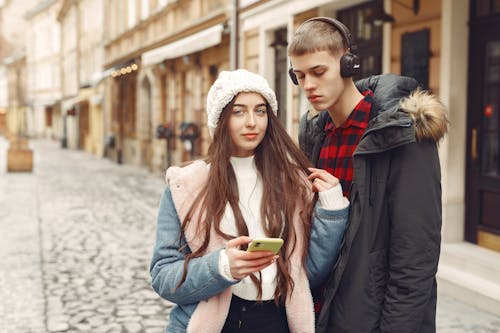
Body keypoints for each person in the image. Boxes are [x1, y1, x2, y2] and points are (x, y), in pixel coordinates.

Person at [150, 69, 350, 333]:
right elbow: (164, 277)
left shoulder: (293, 182)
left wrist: (332, 208)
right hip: (217, 323)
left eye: (260, 110)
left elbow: (307, 273)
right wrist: (222, 267)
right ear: (220, 119)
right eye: (238, 112)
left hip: (278, 322)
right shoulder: (186, 185)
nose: (252, 122)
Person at [288, 17, 449, 333]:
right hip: (319, 317)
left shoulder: (402, 134)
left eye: (319, 72)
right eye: (300, 76)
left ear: (348, 62)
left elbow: (415, 259)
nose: (308, 85)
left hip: (372, 322)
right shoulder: (313, 135)